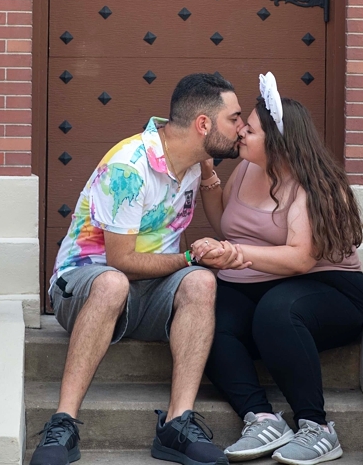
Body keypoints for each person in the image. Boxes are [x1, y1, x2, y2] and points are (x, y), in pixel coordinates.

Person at [31, 73, 249, 465]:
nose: (242, 127)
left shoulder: (194, 161)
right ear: (203, 124)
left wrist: (211, 176)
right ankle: (62, 424)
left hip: (149, 292)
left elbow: (212, 229)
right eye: (233, 118)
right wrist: (189, 258)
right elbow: (121, 261)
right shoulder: (129, 167)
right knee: (115, 282)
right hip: (85, 285)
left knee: (201, 283)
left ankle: (176, 425)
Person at [202, 73, 363, 464]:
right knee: (200, 312)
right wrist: (208, 174)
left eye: (252, 129)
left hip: (329, 288)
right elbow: (225, 223)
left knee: (277, 311)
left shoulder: (314, 186)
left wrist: (232, 252)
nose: (241, 132)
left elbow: (299, 258)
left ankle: (317, 428)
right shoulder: (247, 167)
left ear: (279, 142)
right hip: (259, 286)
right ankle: (261, 418)